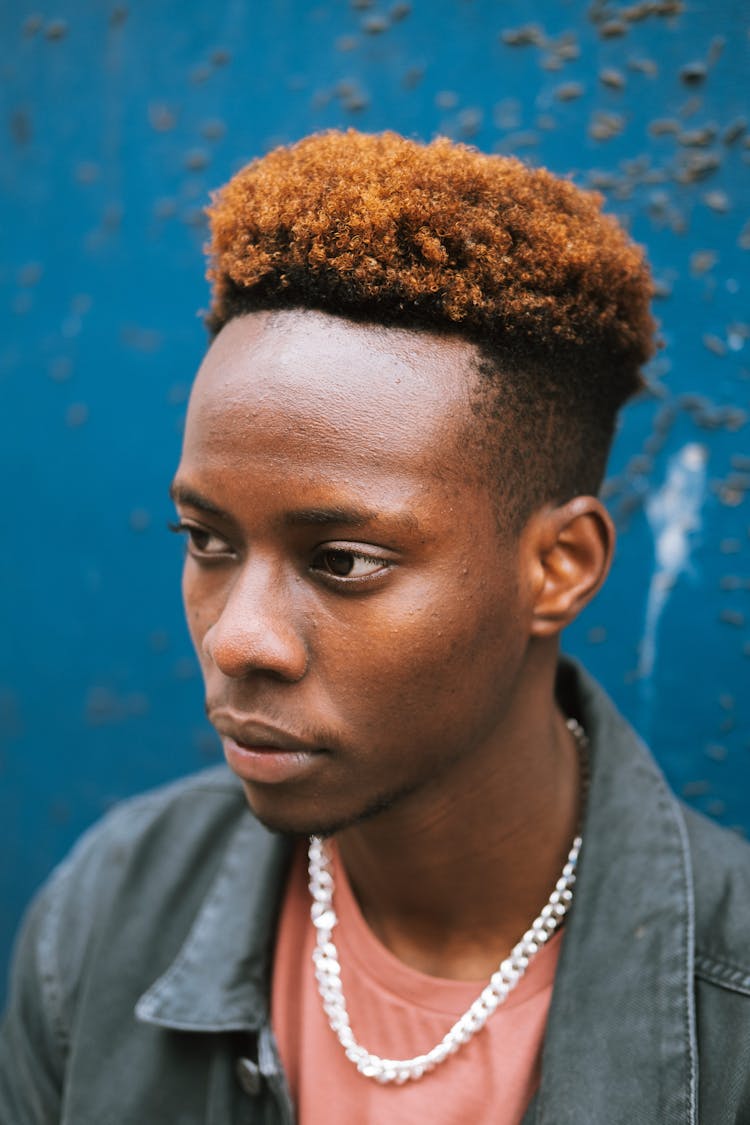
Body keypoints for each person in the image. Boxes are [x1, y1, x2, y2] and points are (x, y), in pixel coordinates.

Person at [2, 129, 749, 1125]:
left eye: (343, 562)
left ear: (559, 568)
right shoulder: (104, 920)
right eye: (208, 540)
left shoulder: (731, 1004)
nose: (240, 641)